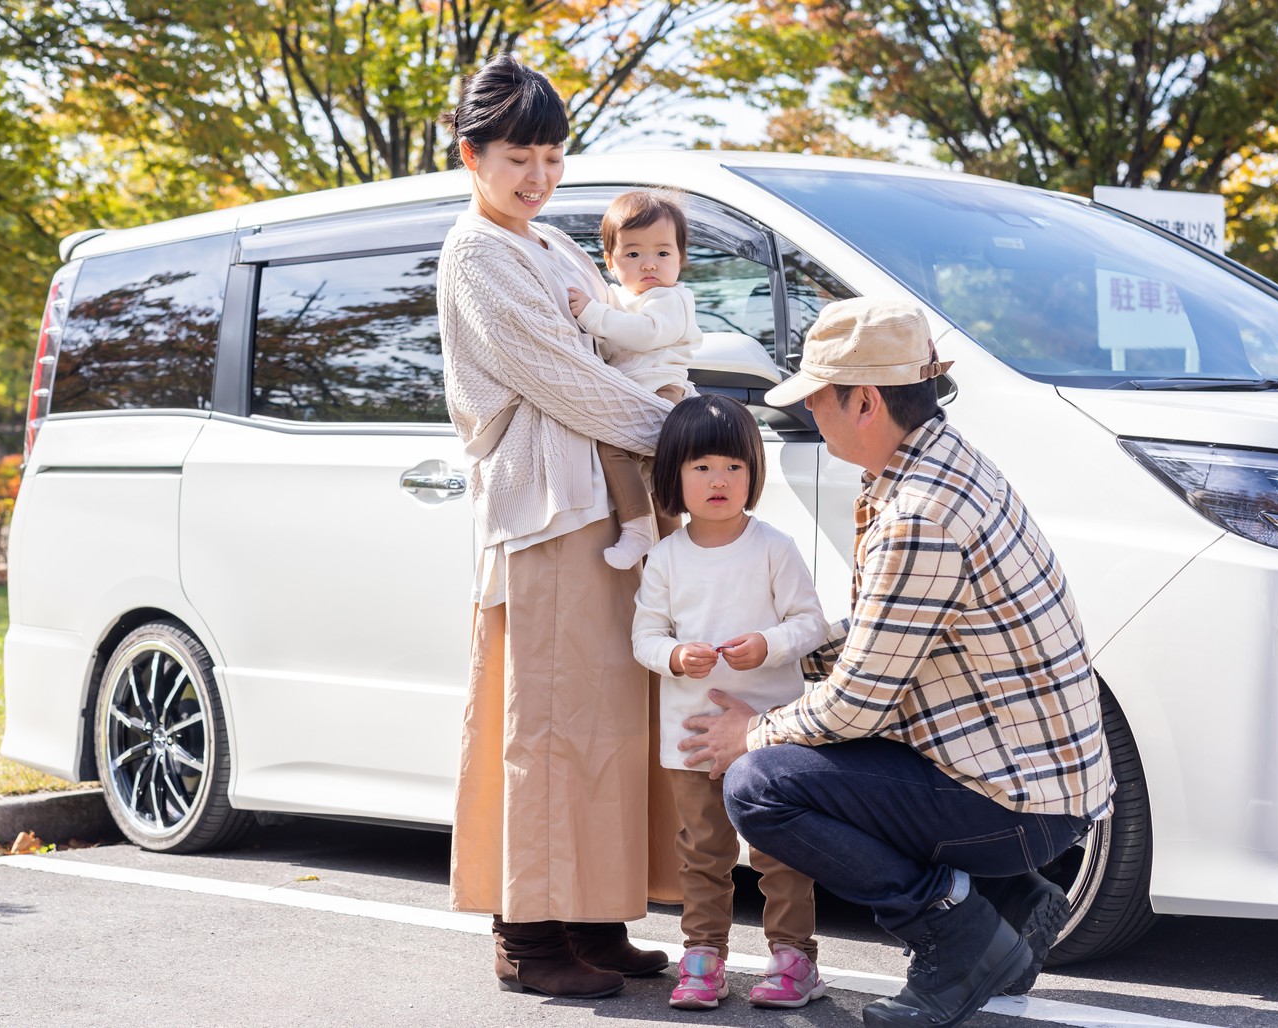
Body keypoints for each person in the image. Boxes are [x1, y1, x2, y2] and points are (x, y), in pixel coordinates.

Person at [678, 298, 1115, 1028]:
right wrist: (787, 644)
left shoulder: (919, 514)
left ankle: (958, 933)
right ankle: (1009, 901)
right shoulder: (948, 464)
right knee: (805, 753)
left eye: (816, 396)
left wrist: (749, 733)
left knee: (760, 786)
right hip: (1047, 790)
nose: (810, 412)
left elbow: (856, 706)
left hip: (1014, 806)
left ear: (864, 401)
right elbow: (895, 631)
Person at [433, 54, 682, 1000]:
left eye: (550, 155)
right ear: (472, 155)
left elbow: (630, 337)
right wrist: (686, 435)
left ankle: (591, 917)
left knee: (609, 720)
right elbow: (565, 377)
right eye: (516, 157)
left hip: (601, 505)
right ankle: (528, 937)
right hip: (544, 514)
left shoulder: (555, 245)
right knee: (544, 722)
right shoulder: (478, 250)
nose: (536, 175)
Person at [630, 394, 830, 1012]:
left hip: (770, 737)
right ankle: (703, 956)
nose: (719, 480)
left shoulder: (773, 546)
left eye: (734, 467)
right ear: (673, 477)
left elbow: (812, 624)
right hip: (689, 736)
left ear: (753, 474)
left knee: (780, 850)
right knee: (703, 851)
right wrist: (673, 656)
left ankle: (794, 956)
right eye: (701, 468)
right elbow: (644, 637)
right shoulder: (664, 558)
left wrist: (768, 645)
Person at [567, 190, 701, 569]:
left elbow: (645, 334)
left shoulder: (670, 298)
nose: (649, 265)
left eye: (662, 253)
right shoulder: (614, 299)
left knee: (658, 466)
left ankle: (658, 535)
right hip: (631, 394)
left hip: (663, 390)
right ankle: (644, 529)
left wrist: (593, 315)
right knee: (623, 457)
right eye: (633, 253)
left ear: (680, 260)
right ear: (610, 261)